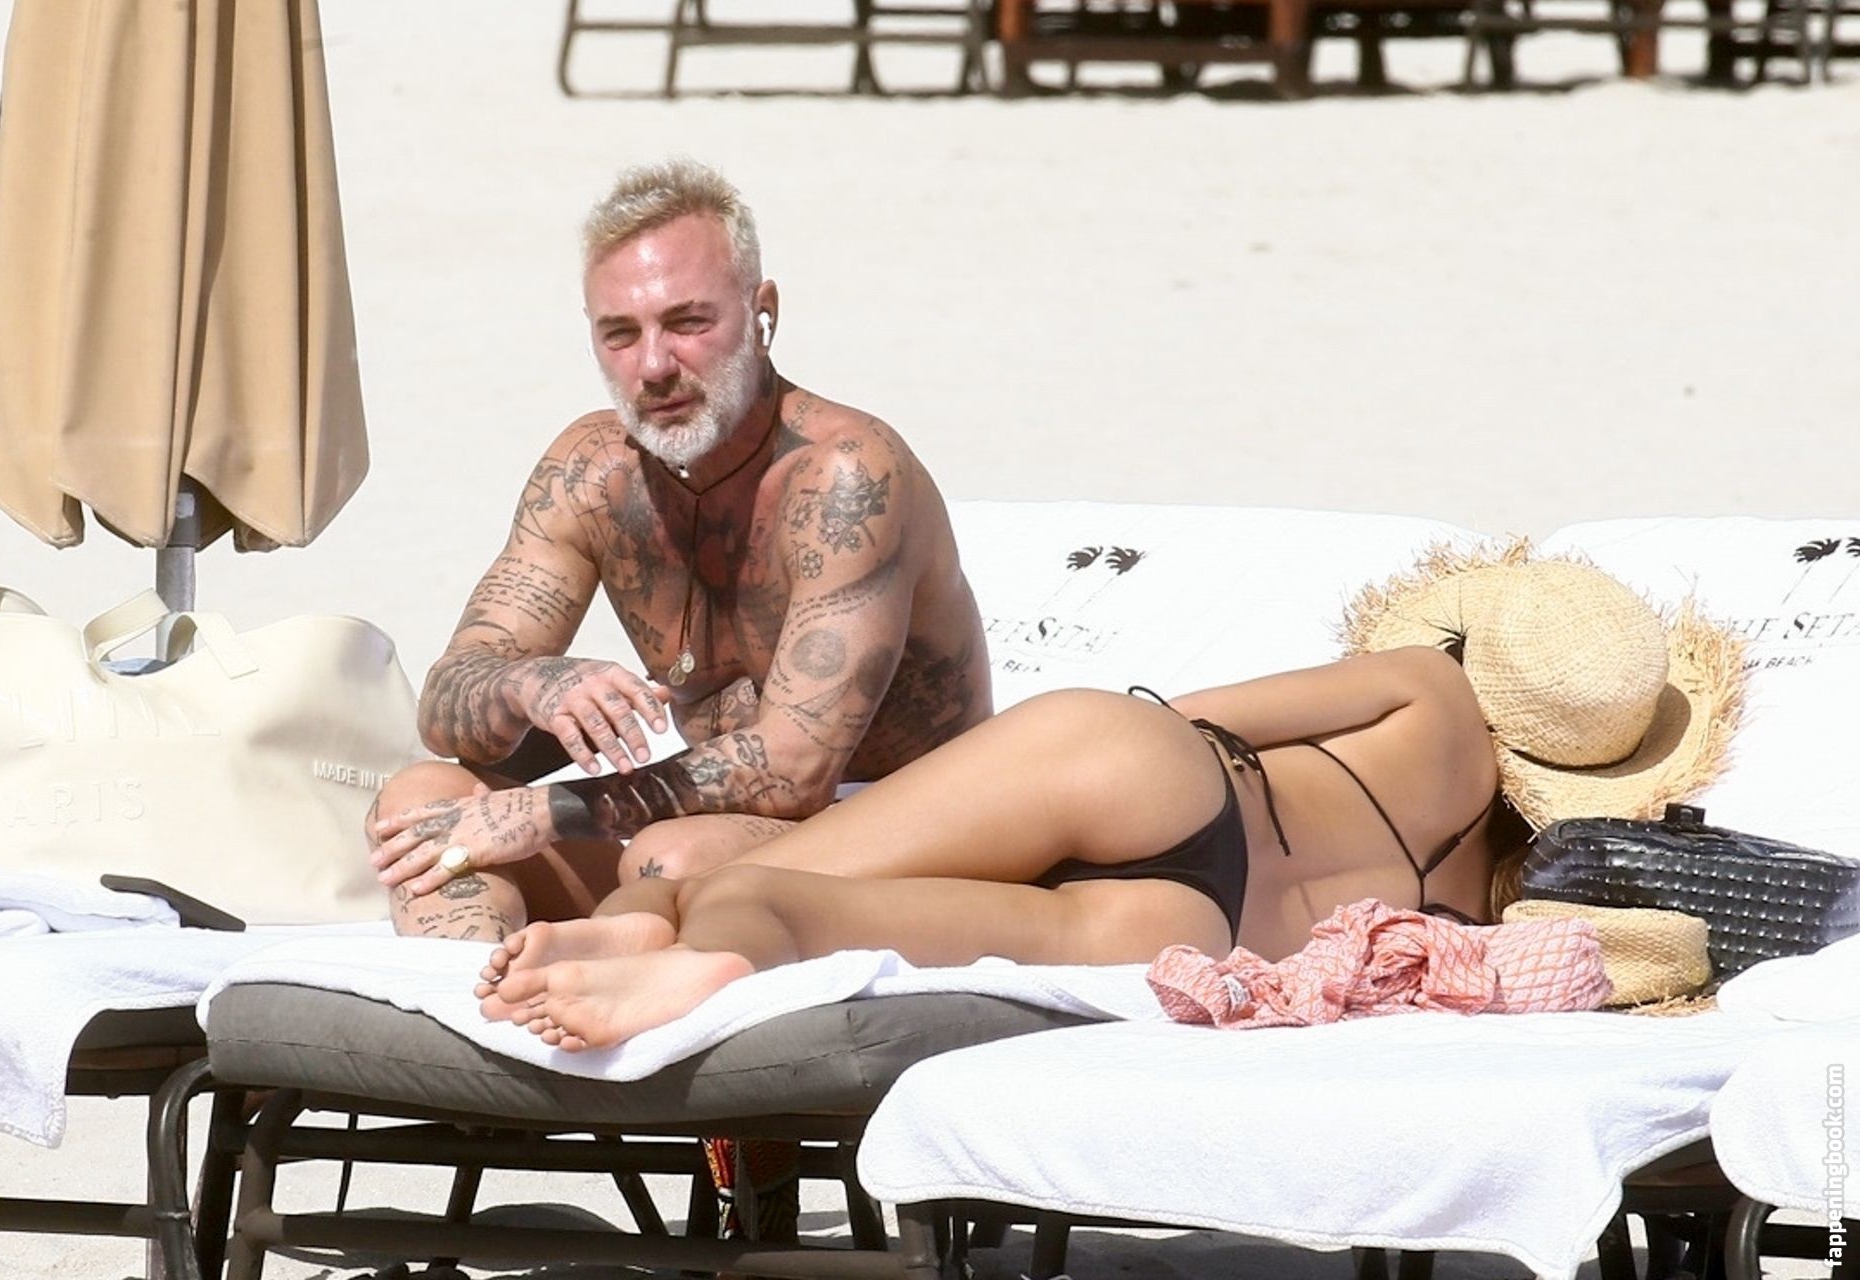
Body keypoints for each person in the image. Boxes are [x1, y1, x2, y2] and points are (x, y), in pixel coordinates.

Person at [371, 551, 1745, 1050]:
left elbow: (1196, 716)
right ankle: (706, 952)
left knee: (807, 849)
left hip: (1155, 776)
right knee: (805, 905)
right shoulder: (1491, 907)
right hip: (1198, 939)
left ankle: (650, 914)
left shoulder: (1433, 699)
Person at [369, 159, 990, 943]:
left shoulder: (845, 478)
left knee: (669, 858)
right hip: (717, 832)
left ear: (761, 314)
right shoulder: (592, 473)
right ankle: (475, 1003)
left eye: (688, 323)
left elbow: (797, 768)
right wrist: (535, 682)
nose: (654, 366)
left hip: (902, 829)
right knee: (420, 806)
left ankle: (574, 991)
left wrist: (552, 808)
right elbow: (447, 710)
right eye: (621, 334)